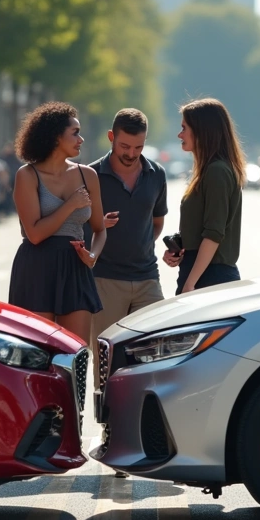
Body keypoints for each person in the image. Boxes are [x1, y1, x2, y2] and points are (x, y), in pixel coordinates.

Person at [8, 102, 107, 343]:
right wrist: (71, 204)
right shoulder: (27, 175)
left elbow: (100, 229)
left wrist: (93, 256)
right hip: (37, 267)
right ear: (54, 137)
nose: (81, 139)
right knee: (37, 353)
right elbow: (35, 234)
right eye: (75, 133)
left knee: (76, 352)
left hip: (75, 268)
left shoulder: (88, 175)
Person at [87, 108, 168, 364]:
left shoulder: (157, 175)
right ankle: (106, 406)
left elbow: (157, 222)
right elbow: (75, 227)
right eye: (125, 146)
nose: (131, 154)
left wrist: (140, 244)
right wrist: (98, 226)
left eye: (138, 147)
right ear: (111, 137)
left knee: (155, 356)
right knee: (106, 362)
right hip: (104, 282)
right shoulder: (91, 176)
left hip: (148, 280)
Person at [161, 98, 244, 295]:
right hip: (199, 273)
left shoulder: (217, 171)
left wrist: (190, 285)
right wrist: (181, 249)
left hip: (211, 278)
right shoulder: (208, 171)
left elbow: (214, 234)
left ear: (201, 131)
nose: (179, 134)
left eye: (184, 128)